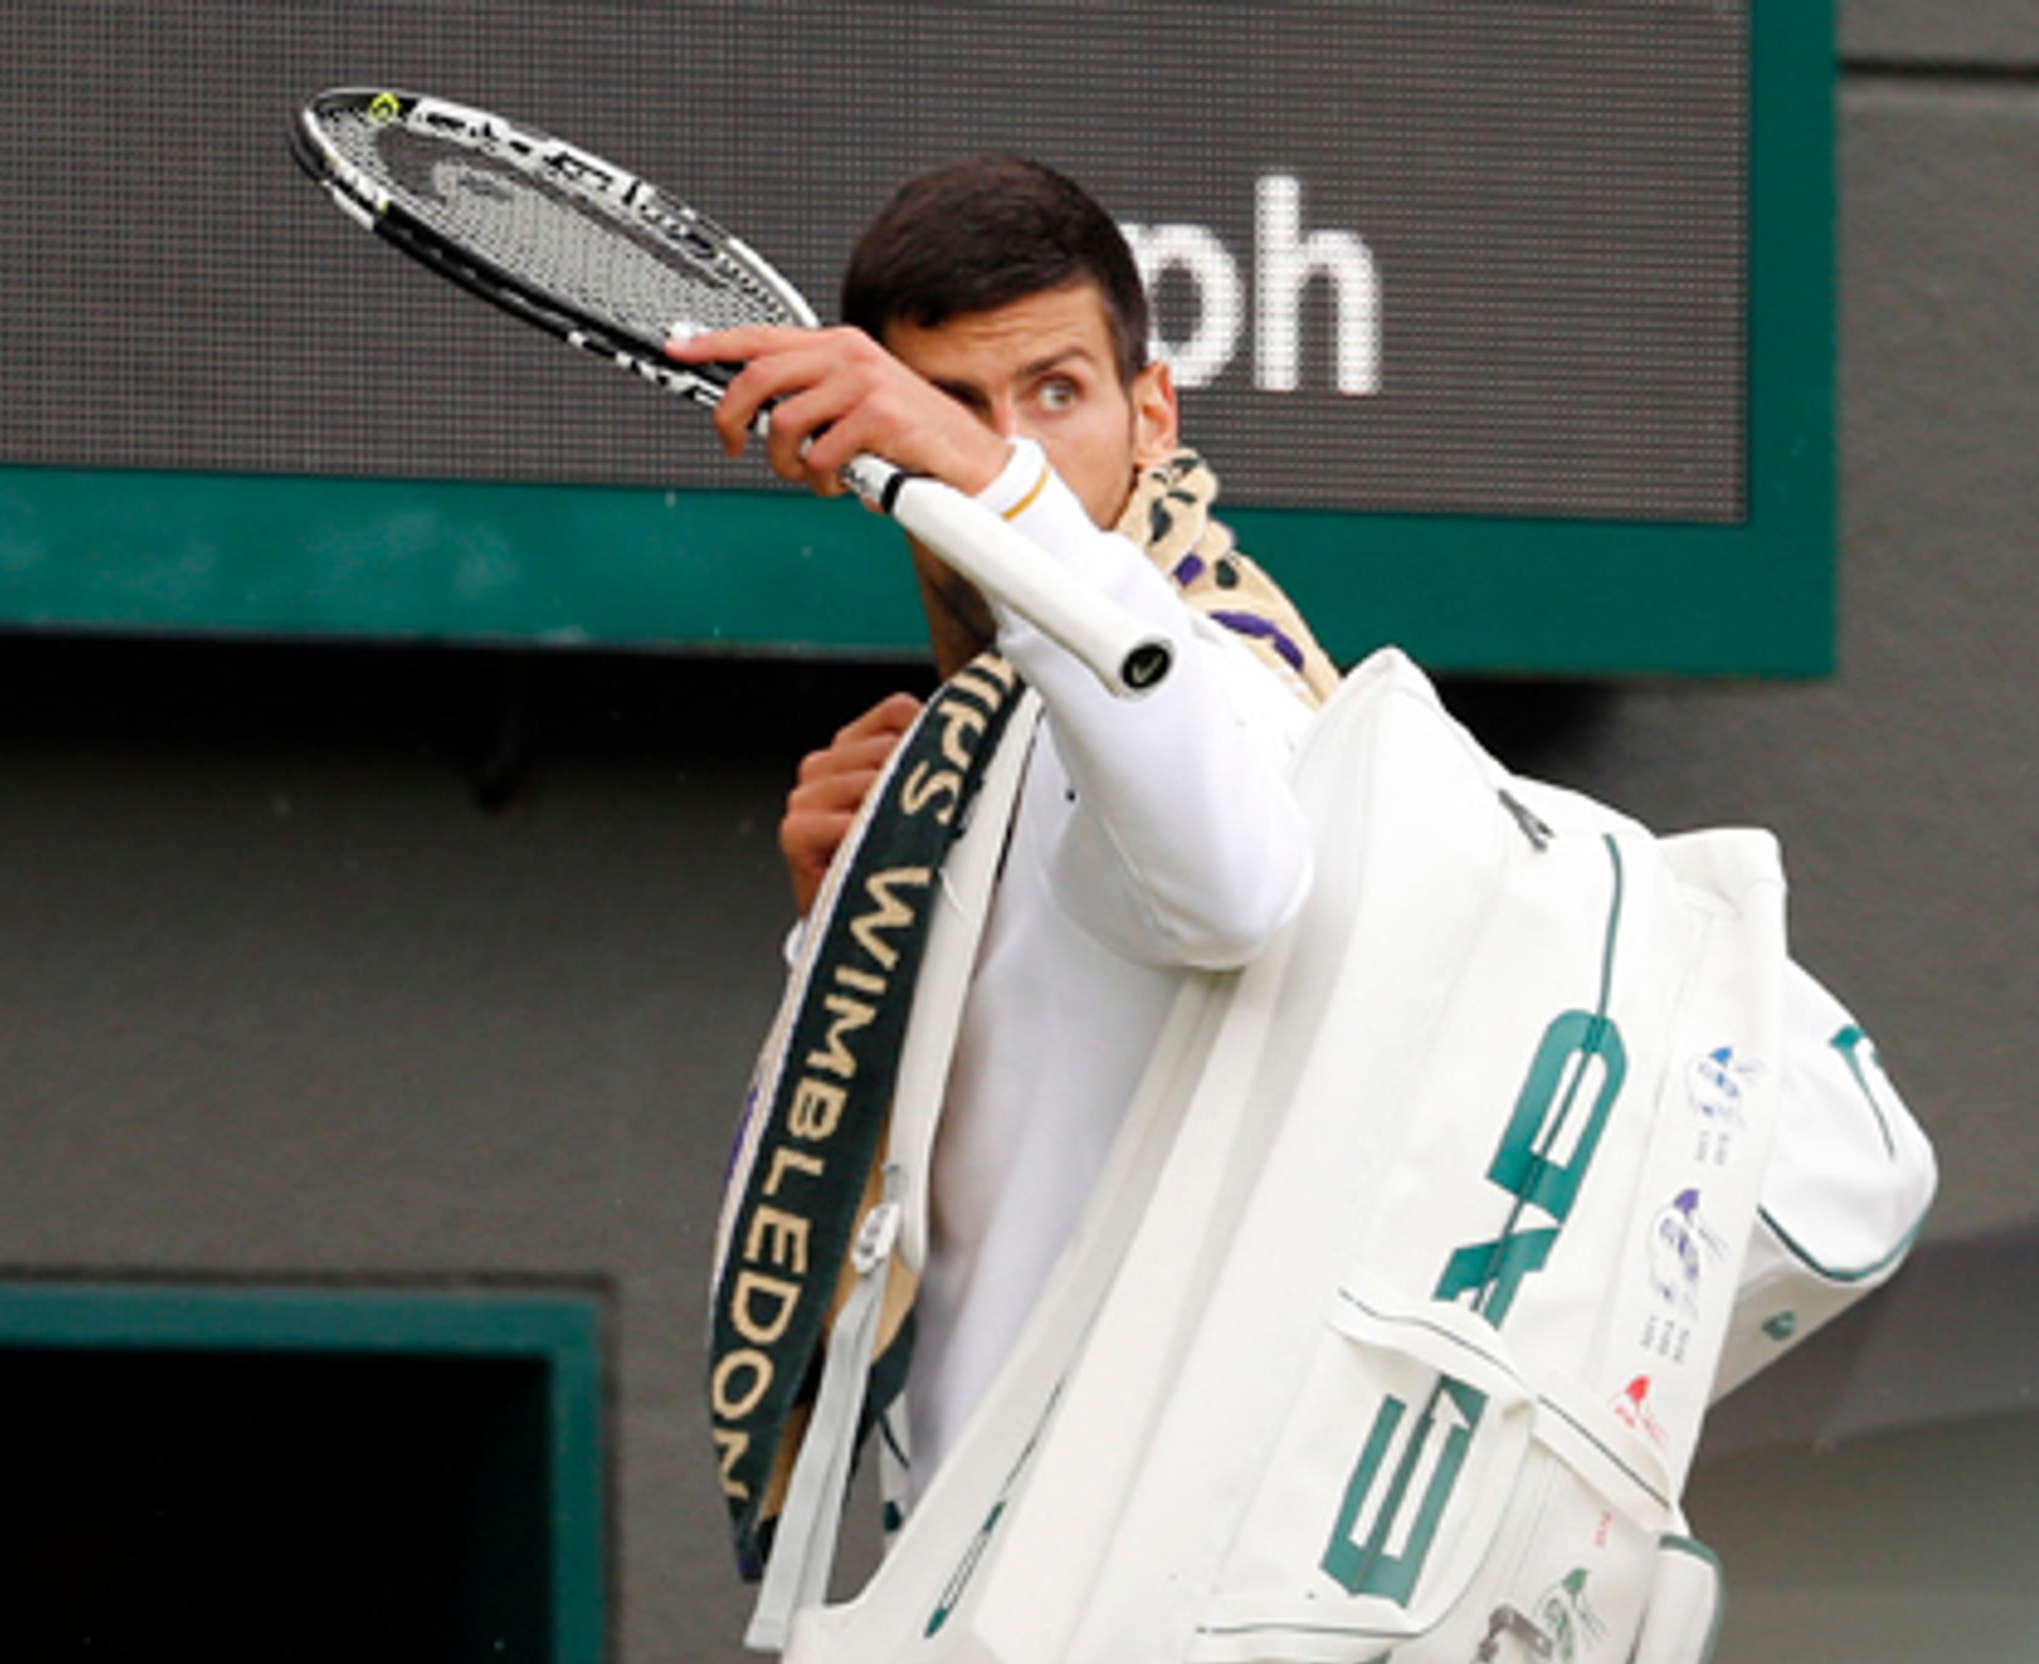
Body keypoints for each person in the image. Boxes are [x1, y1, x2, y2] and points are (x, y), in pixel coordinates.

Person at [666, 154, 1931, 1501]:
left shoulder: (1217, 675)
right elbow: (971, 1209)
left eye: (1055, 395)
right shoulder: (988, 745)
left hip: (1146, 1603)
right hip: (981, 1590)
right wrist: (855, 935)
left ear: (1150, 414)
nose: (1006, 449)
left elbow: (1225, 888)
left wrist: (994, 495)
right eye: (951, 408)